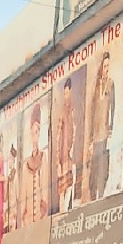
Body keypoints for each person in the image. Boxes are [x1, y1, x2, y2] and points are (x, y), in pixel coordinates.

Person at [86, 51, 115, 202]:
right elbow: (91, 112)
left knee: (104, 167)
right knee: (94, 168)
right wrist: (90, 138)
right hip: (95, 134)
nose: (106, 69)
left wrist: (110, 128)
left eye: (108, 66)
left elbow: (113, 107)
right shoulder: (96, 87)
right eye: (104, 66)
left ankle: (101, 196)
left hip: (105, 132)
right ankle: (93, 197)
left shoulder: (110, 84)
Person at [22, 102, 49, 225]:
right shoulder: (25, 164)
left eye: (37, 132)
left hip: (40, 214)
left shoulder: (44, 157)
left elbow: (45, 183)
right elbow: (23, 193)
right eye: (33, 132)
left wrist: (44, 205)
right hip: (28, 217)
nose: (35, 136)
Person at [55, 77, 77, 213]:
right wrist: (57, 161)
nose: (66, 96)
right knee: (61, 188)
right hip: (62, 157)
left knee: (70, 184)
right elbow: (58, 138)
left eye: (68, 93)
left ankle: (68, 212)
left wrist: (73, 149)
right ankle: (62, 212)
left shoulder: (73, 110)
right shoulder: (61, 113)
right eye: (64, 93)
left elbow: (75, 130)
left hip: (70, 155)